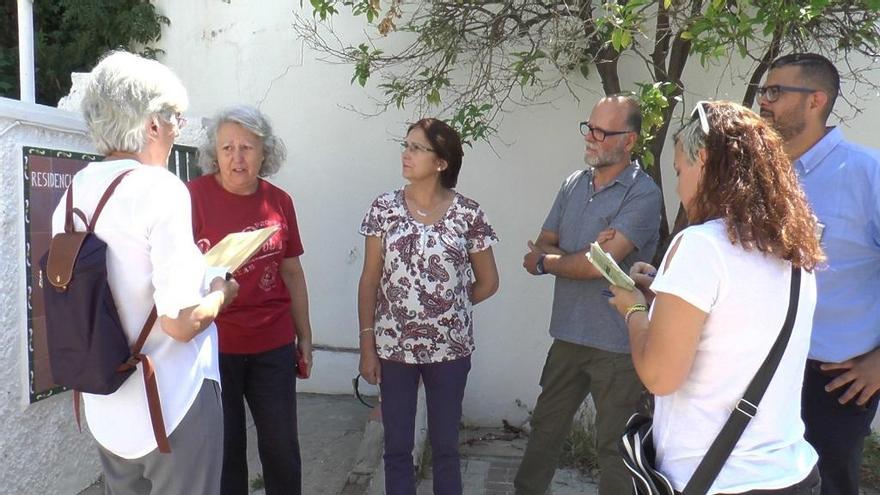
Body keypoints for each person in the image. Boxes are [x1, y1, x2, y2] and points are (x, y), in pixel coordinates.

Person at [609, 100, 824, 493]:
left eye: (678, 170)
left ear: (704, 160)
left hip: (716, 478)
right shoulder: (793, 251)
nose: (678, 186)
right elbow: (733, 326)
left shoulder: (701, 245)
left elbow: (660, 375)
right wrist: (664, 294)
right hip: (791, 472)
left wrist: (634, 308)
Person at [52, 50, 238, 495]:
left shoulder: (74, 193)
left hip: (107, 400)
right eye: (175, 117)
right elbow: (179, 322)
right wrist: (220, 291)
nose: (179, 128)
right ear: (151, 124)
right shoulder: (161, 190)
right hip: (171, 403)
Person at [514, 94, 662, 495]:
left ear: (629, 141)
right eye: (589, 127)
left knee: (613, 449)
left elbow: (583, 262)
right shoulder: (573, 184)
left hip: (617, 344)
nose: (591, 137)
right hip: (567, 336)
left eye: (602, 131)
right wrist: (578, 257)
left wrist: (554, 261)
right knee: (544, 431)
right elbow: (545, 245)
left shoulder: (643, 194)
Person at [758, 52, 880, 495]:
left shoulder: (869, 174)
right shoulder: (760, 174)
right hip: (759, 365)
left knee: (826, 486)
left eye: (775, 92)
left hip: (836, 381)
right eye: (763, 92)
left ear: (816, 100)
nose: (764, 102)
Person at [358, 118, 499, 495]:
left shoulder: (469, 215)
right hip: (394, 349)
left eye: (417, 148)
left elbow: (488, 282)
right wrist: (367, 345)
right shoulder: (384, 209)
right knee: (397, 448)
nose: (406, 154)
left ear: (441, 162)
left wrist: (448, 305)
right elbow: (370, 279)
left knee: (446, 448)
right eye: (406, 145)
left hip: (449, 350)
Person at [187, 105, 314, 495]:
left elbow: (292, 272)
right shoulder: (191, 198)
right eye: (227, 148)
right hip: (215, 343)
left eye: (247, 147)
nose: (237, 158)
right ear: (214, 153)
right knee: (225, 451)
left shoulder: (279, 201)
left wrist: (304, 335)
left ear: (264, 153)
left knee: (280, 447)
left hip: (271, 343)